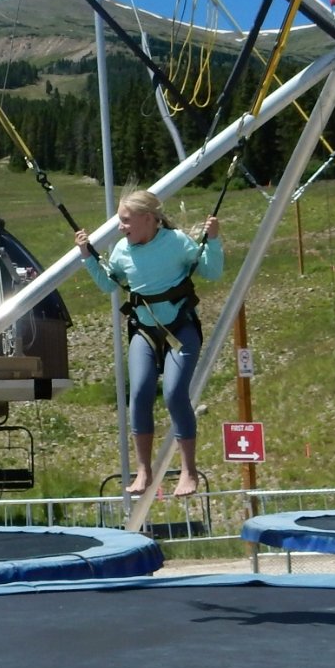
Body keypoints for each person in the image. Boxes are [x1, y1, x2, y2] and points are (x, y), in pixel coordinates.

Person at [76, 188, 225, 497]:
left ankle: (188, 470)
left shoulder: (177, 243)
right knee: (140, 392)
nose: (120, 227)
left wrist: (213, 240)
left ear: (148, 220)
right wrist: (88, 257)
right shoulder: (121, 251)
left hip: (181, 328)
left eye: (126, 221)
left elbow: (212, 271)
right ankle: (144, 470)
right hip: (144, 330)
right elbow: (108, 283)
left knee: (173, 393)